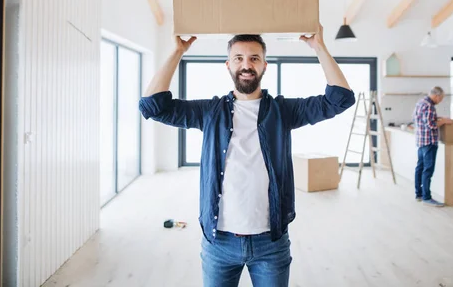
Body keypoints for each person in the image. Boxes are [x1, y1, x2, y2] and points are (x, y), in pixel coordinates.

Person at [138, 25, 355, 287]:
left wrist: (319, 46)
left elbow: (340, 99)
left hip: (270, 244)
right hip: (219, 243)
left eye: (254, 58)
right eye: (239, 58)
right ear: (228, 65)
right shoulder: (210, 112)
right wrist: (177, 52)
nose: (246, 65)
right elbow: (152, 106)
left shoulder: (282, 111)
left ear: (264, 66)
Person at [412, 86, 453, 207]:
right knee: (428, 169)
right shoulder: (429, 106)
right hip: (429, 141)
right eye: (441, 98)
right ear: (437, 96)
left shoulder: (421, 102)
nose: (440, 101)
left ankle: (419, 194)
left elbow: (420, 120)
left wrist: (438, 118)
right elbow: (431, 125)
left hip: (421, 140)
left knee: (420, 167)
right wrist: (444, 121)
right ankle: (427, 197)